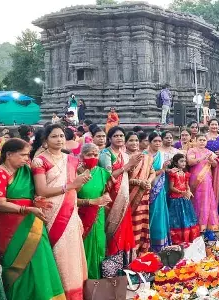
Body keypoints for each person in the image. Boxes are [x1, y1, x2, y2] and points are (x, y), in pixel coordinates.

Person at [0, 138, 66, 300]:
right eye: (22, 155)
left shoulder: (27, 170)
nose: (26, 159)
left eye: (27, 155)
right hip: (12, 229)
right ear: (9, 154)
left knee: (41, 263)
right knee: (16, 267)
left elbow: (35, 193)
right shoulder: (0, 173)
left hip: (34, 223)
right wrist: (27, 209)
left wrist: (36, 201)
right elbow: (0, 204)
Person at [32, 124, 89, 299]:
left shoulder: (71, 159)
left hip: (70, 212)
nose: (59, 140)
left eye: (62, 136)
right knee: (56, 254)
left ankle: (75, 294)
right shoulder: (40, 160)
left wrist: (80, 182)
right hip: (51, 212)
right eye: (54, 136)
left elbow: (75, 190)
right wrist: (70, 185)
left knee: (72, 255)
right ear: (45, 140)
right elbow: (41, 190)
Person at [99, 127, 140, 261]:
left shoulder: (124, 154)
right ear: (109, 139)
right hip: (111, 196)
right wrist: (128, 166)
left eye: (121, 135)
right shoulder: (106, 154)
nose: (119, 138)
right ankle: (111, 260)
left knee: (124, 227)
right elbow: (108, 176)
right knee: (112, 227)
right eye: (116, 136)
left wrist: (132, 165)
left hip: (123, 195)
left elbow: (126, 176)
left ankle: (124, 261)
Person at [77, 143, 112, 279]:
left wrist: (106, 198)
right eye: (89, 155)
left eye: (95, 155)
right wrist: (90, 202)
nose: (92, 157)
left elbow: (106, 192)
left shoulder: (103, 173)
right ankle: (84, 282)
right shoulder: (75, 172)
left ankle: (98, 282)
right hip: (82, 216)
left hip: (98, 215)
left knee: (99, 245)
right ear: (81, 156)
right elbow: (70, 199)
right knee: (84, 249)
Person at [143, 132, 174, 251]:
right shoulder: (144, 155)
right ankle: (147, 243)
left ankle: (160, 242)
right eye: (155, 141)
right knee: (148, 213)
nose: (157, 143)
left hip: (160, 188)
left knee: (159, 213)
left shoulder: (162, 155)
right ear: (150, 142)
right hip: (146, 188)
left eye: (159, 141)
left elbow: (165, 171)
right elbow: (144, 173)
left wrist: (167, 170)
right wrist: (162, 170)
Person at [126, 132, 155, 255]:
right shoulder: (123, 157)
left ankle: (141, 252)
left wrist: (148, 181)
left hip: (143, 195)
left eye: (136, 140)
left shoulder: (146, 157)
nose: (135, 143)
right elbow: (120, 178)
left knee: (142, 222)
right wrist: (138, 182)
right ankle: (130, 252)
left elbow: (152, 172)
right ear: (126, 143)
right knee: (131, 224)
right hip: (128, 195)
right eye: (131, 140)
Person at [187, 134, 219, 231]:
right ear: (196, 140)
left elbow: (215, 164)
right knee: (196, 199)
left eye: (204, 140)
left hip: (207, 180)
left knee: (206, 199)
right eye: (200, 140)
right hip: (195, 179)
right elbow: (190, 162)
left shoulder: (209, 152)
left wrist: (210, 160)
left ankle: (205, 225)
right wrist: (202, 158)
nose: (202, 142)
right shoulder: (192, 150)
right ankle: (195, 224)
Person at [167, 154, 200, 244]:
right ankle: (178, 238)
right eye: (181, 161)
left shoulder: (186, 174)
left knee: (187, 217)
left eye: (184, 161)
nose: (184, 163)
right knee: (178, 218)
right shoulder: (173, 174)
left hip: (185, 198)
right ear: (175, 163)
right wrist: (182, 193)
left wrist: (188, 192)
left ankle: (188, 237)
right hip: (176, 199)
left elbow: (187, 185)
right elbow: (171, 187)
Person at [205, 119, 219, 218]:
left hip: (218, 165)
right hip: (205, 164)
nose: (214, 126)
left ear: (218, 126)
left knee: (218, 187)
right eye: (212, 124)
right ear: (208, 126)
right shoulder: (204, 137)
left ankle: (216, 211)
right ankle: (206, 210)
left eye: (216, 125)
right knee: (206, 186)